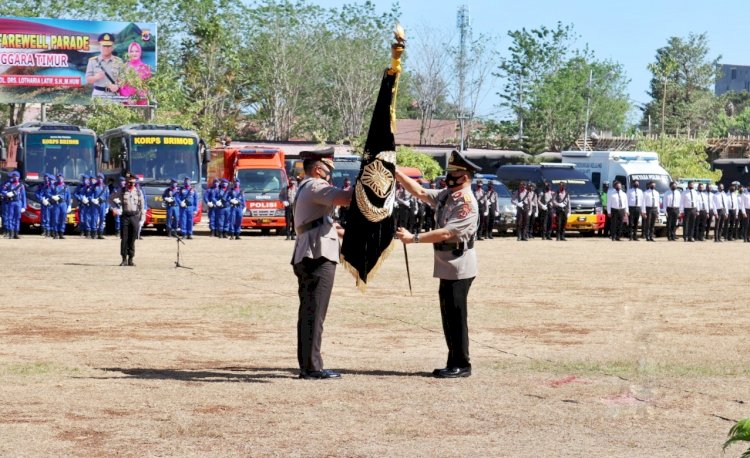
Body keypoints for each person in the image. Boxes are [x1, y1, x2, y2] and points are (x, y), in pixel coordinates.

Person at [395, 150, 480, 378]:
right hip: (446, 262)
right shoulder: (447, 195)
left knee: (456, 316)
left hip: (459, 263)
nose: (450, 176)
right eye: (449, 172)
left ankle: (462, 364)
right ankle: (453, 361)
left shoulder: (467, 203)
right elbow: (420, 191)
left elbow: (446, 233)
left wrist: (413, 238)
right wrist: (396, 173)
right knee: (448, 315)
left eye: (455, 173)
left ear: (466, 177)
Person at [292, 149, 352, 380]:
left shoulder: (307, 187)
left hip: (310, 252)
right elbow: (346, 198)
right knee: (315, 313)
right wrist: (370, 182)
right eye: (328, 170)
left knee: (310, 312)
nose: (330, 175)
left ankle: (309, 364)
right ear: (318, 169)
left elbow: (325, 224)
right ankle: (312, 367)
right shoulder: (315, 186)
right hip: (317, 255)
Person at [109, 173, 143, 266]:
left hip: (135, 216)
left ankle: (131, 259)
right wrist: (115, 208)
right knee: (124, 238)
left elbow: (142, 205)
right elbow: (111, 198)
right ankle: (124, 259)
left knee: (132, 239)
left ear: (135, 183)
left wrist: (142, 219)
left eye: (132, 183)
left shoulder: (138, 192)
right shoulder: (122, 191)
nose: (130, 184)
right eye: (129, 182)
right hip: (125, 217)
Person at [86, 33, 124, 99]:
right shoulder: (93, 61)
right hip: (98, 95)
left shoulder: (119, 61)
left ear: (112, 47)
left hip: (113, 95)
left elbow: (123, 79)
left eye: (108, 46)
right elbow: (88, 80)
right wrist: (95, 77)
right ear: (99, 47)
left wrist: (117, 86)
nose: (106, 48)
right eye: (103, 46)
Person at [119, 41, 152, 106]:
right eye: (131, 51)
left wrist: (136, 98)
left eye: (137, 51)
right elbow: (121, 86)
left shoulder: (145, 68)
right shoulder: (124, 67)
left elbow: (146, 87)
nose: (134, 53)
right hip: (126, 102)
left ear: (140, 52)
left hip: (141, 102)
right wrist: (128, 99)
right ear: (128, 53)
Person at [4, 171, 26, 239]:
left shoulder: (21, 185)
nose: (15, 177)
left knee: (17, 218)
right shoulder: (9, 184)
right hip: (11, 202)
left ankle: (16, 233)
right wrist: (7, 193)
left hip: (18, 202)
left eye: (16, 176)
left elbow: (23, 196)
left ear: (19, 177)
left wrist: (24, 206)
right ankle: (11, 233)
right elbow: (2, 190)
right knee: (10, 218)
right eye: (14, 176)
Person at [49, 174, 70, 239]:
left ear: (63, 178)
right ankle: (55, 233)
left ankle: (61, 233)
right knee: (55, 219)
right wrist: (52, 197)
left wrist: (69, 205)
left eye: (61, 178)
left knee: (63, 219)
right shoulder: (53, 186)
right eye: (58, 178)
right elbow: (48, 193)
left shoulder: (66, 187)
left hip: (63, 204)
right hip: (56, 204)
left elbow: (68, 197)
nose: (60, 179)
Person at [88, 173, 109, 239]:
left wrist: (107, 206)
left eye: (101, 178)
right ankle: (93, 233)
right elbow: (89, 195)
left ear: (103, 179)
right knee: (94, 218)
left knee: (102, 219)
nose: (100, 179)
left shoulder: (105, 187)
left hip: (102, 204)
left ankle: (100, 233)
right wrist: (93, 200)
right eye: (99, 178)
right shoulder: (93, 187)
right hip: (95, 204)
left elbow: (107, 197)